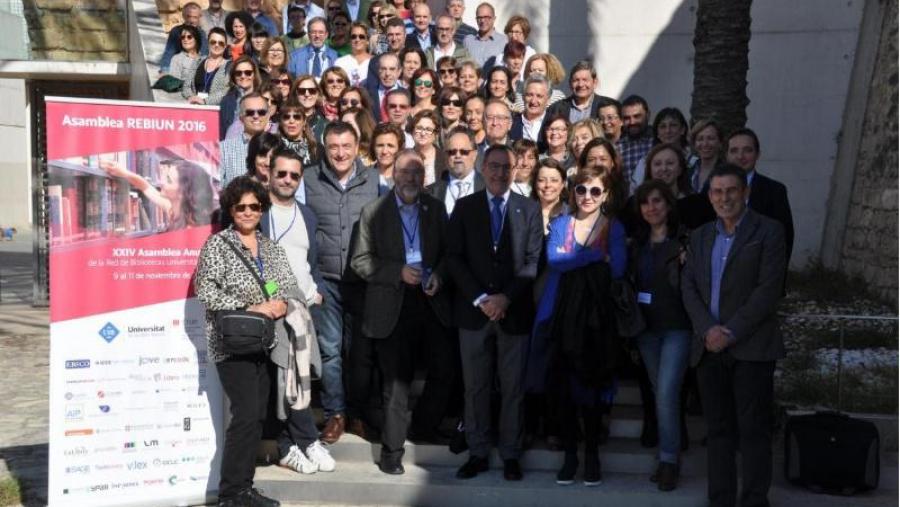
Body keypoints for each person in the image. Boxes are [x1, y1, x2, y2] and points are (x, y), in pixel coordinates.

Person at [681, 164, 787, 507]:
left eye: (731, 190)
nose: (724, 197)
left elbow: (768, 290)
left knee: (753, 431)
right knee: (718, 432)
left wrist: (732, 331)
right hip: (709, 348)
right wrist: (708, 330)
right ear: (709, 196)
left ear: (745, 193)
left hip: (752, 348)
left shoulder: (769, 231)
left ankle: (755, 500)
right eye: (717, 191)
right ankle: (721, 499)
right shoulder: (699, 236)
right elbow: (689, 288)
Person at [350, 149, 455, 474]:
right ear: (393, 175)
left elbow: (451, 254)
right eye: (405, 172)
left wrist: (438, 273)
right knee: (396, 384)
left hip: (431, 302)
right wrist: (397, 271)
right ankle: (391, 452)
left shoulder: (435, 209)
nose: (411, 179)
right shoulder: (373, 212)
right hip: (392, 304)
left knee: (446, 369)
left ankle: (423, 426)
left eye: (417, 173)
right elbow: (360, 261)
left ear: (424, 177)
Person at [194, 176, 293, 507]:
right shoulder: (217, 245)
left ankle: (244, 488)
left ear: (262, 209)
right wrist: (249, 308)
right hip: (232, 343)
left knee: (256, 416)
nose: (248, 212)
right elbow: (205, 289)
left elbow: (288, 284)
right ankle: (231, 493)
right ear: (231, 209)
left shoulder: (271, 247)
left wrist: (283, 303)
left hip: (265, 342)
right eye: (241, 207)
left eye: (254, 206)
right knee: (247, 414)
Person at [447, 144, 543, 482]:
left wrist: (505, 299)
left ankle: (511, 453)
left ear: (515, 170)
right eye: (495, 167)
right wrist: (481, 298)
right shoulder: (464, 207)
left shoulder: (529, 209)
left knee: (513, 387)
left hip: (514, 314)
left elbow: (533, 261)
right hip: (474, 313)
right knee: (475, 387)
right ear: (483, 169)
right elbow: (454, 257)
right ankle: (477, 452)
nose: (500, 173)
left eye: (507, 167)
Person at [537, 164, 626, 487]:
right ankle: (570, 455)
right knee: (563, 389)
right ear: (572, 192)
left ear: (606, 195)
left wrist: (574, 255)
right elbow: (555, 260)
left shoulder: (613, 227)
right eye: (581, 189)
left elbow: (617, 268)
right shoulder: (562, 223)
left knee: (590, 389)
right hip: (562, 316)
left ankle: (591, 454)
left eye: (595, 191)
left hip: (597, 321)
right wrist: (591, 256)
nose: (587, 196)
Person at [303, 122, 383, 444]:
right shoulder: (309, 179)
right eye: (333, 146)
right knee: (331, 351)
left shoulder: (375, 180)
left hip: (363, 281)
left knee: (361, 353)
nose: (340, 153)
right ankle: (336, 414)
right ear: (325, 147)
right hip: (326, 282)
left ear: (357, 147)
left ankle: (358, 413)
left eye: (346, 146)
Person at [260, 148, 336, 477]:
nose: (287, 180)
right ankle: (299, 441)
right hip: (272, 308)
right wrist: (273, 297)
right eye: (282, 173)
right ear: (269, 174)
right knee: (281, 376)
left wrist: (316, 291)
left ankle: (297, 442)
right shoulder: (256, 211)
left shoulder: (306, 215)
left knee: (299, 377)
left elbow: (311, 262)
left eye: (294, 175)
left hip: (303, 309)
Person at [631, 180, 692, 491]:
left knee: (667, 392)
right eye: (645, 203)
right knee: (660, 391)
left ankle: (668, 459)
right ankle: (670, 449)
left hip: (677, 328)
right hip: (646, 330)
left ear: (668, 204)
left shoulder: (684, 241)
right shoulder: (636, 244)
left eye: (657, 201)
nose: (651, 207)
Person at [725, 128, 795, 266]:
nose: (740, 156)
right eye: (734, 151)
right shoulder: (712, 189)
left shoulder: (774, 191)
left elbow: (784, 238)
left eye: (747, 150)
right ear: (726, 155)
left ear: (758, 154)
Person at [99, 158, 215, 232]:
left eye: (168, 180)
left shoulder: (191, 229)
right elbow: (146, 187)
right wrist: (124, 173)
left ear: (183, 193)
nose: (161, 182)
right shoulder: (174, 211)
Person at [427, 127, 484, 216]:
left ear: (475, 155)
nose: (458, 156)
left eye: (464, 152)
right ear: (445, 155)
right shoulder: (430, 193)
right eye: (452, 152)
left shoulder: (489, 188)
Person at [221, 92, 272, 185]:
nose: (256, 116)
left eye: (261, 112)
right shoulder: (224, 149)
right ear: (241, 118)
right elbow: (216, 189)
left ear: (268, 116)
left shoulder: (278, 147)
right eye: (250, 112)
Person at [547, 60, 611, 125]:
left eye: (585, 80)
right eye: (576, 80)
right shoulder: (556, 109)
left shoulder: (608, 105)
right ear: (570, 83)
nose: (580, 84)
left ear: (595, 82)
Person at [219, 57, 264, 141]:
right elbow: (221, 132)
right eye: (238, 73)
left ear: (254, 75)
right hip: (231, 147)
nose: (243, 76)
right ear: (234, 76)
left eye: (248, 73)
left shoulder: (264, 98)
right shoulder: (226, 101)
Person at [616, 94, 654, 189]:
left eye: (637, 116)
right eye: (626, 118)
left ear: (648, 115)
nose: (632, 122)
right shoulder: (617, 148)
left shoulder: (657, 142)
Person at [481, 16, 536, 82]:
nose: (513, 36)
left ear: (525, 34)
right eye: (510, 32)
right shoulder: (501, 57)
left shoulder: (530, 54)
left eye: (517, 32)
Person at [184, 27, 229, 105]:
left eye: (221, 43)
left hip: (215, 110)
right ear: (208, 43)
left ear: (225, 46)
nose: (217, 45)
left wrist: (205, 101)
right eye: (213, 42)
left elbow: (226, 91)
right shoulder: (197, 61)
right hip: (194, 107)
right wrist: (191, 98)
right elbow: (186, 86)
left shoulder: (229, 66)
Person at [159, 2, 207, 75]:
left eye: (195, 17)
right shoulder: (176, 31)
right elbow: (169, 53)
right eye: (189, 16)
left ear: (199, 17)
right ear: (183, 16)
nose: (191, 21)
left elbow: (203, 54)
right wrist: (165, 70)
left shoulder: (202, 34)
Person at [279, 97, 320, 168]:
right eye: (286, 117)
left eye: (297, 117)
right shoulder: (274, 147)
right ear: (281, 122)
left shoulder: (317, 149)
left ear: (304, 122)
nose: (291, 121)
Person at [462, 2, 507, 67]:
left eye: (486, 17)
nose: (482, 21)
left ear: (494, 18)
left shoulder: (504, 41)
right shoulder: (468, 41)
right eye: (479, 17)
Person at [531, 157, 569, 233]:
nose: (548, 185)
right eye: (541, 180)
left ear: (563, 184)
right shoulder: (525, 214)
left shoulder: (571, 213)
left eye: (554, 180)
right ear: (535, 183)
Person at [364, 52, 403, 122]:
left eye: (392, 69)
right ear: (378, 70)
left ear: (399, 72)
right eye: (383, 69)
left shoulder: (406, 94)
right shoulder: (366, 94)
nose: (387, 73)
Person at [409, 109, 445, 185]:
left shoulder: (445, 159)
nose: (423, 133)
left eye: (428, 129)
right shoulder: (404, 158)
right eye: (419, 128)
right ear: (412, 130)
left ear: (436, 134)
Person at [513, 75, 551, 144]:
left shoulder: (554, 124)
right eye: (529, 95)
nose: (533, 101)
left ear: (548, 100)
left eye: (539, 96)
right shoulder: (511, 123)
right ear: (523, 97)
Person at [291, 74, 329, 141]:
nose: (307, 94)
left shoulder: (326, 124)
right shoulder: (286, 119)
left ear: (317, 94)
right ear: (295, 94)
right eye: (302, 91)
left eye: (312, 90)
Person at [689, 118, 724, 192]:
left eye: (710, 138)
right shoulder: (688, 173)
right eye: (700, 139)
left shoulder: (727, 172)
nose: (705, 144)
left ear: (720, 143)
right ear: (694, 144)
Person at [335, 22, 373, 86]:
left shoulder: (376, 61)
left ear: (367, 41)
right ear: (349, 41)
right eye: (353, 37)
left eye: (361, 37)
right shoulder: (340, 62)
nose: (357, 39)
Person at [370, 122, 405, 188]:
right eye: (380, 145)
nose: (384, 151)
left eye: (390, 146)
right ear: (373, 147)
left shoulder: (406, 180)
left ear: (399, 149)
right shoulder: (362, 178)